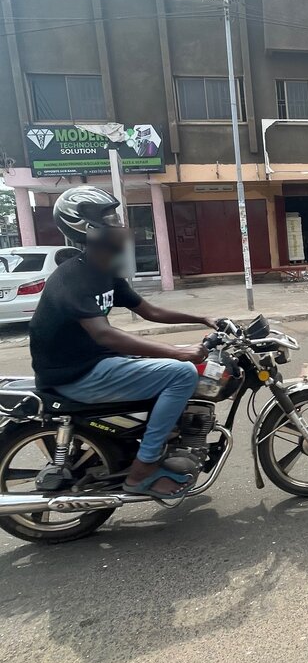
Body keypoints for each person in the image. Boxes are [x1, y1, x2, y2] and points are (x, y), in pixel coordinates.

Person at [30, 186, 218, 500]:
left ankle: (156, 440)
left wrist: (201, 318)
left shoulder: (104, 271)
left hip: (93, 363)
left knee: (169, 365)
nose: (122, 225)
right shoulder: (72, 278)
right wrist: (177, 353)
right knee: (182, 373)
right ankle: (143, 468)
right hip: (75, 375)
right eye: (112, 219)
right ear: (89, 228)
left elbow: (150, 311)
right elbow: (104, 334)